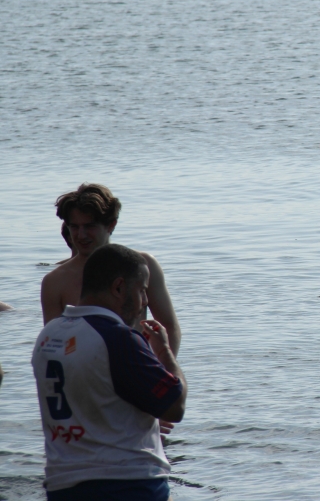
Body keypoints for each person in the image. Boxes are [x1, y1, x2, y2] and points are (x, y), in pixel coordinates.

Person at [31, 244, 187, 501]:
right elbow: (174, 406)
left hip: (62, 483)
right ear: (118, 288)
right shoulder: (118, 338)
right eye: (141, 290)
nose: (145, 301)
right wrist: (165, 352)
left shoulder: (48, 336)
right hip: (128, 483)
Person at [40, 184, 181, 354]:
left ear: (111, 225)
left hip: (136, 363)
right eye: (74, 227)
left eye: (89, 226)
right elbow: (53, 343)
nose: (81, 235)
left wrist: (162, 367)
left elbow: (168, 326)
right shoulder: (54, 282)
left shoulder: (143, 265)